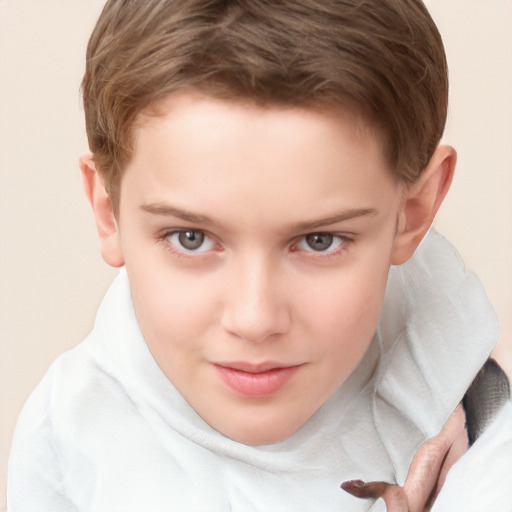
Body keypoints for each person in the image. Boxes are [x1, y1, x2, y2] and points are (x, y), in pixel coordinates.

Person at [7, 0, 511, 510]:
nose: (254, 320)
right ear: (108, 211)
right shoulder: (71, 445)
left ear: (416, 210)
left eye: (319, 241)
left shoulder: (469, 398)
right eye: (191, 238)